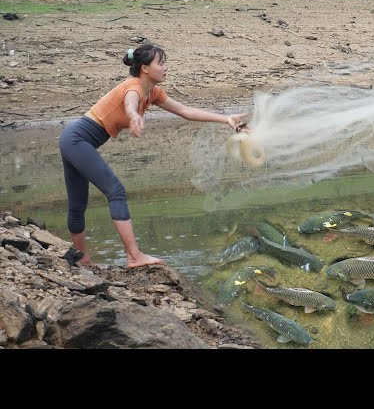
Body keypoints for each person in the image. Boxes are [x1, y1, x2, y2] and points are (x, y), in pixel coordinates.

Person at [58, 44, 249, 268]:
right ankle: (134, 256)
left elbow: (185, 111)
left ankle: (82, 258)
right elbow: (130, 103)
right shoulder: (134, 87)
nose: (166, 67)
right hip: (76, 140)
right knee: (115, 191)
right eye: (161, 63)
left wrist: (225, 119)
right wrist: (133, 116)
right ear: (145, 68)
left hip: (73, 141)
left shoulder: (153, 92)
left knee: (78, 204)